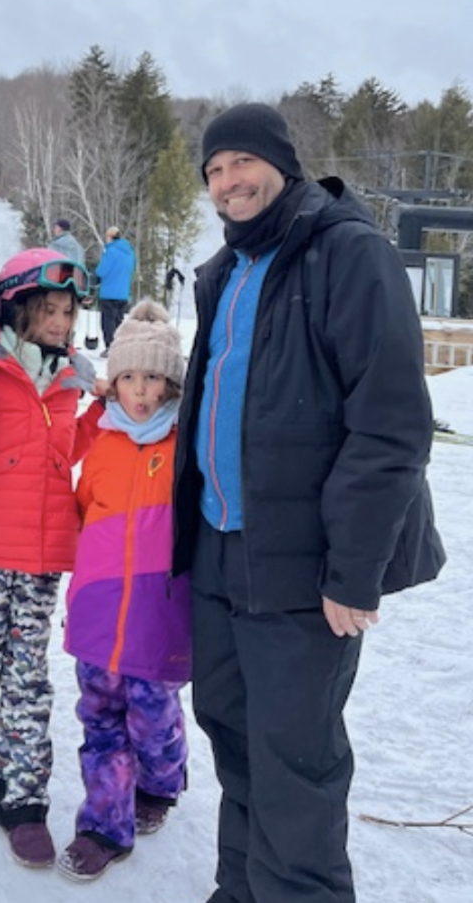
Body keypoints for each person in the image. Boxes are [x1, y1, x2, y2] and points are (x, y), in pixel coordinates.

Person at [173, 102, 446, 903]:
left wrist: (354, 570)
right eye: (213, 171)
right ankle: (242, 889)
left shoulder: (347, 254)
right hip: (221, 551)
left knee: (296, 759)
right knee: (234, 734)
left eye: (240, 163)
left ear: (281, 163)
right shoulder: (226, 272)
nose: (227, 182)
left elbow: (391, 423)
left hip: (305, 565)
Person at [0, 247, 104, 869]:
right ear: (18, 309)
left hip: (43, 551)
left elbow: (67, 451)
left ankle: (23, 796)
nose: (62, 322)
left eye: (68, 311)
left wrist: (103, 410)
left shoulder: (66, 384)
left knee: (28, 672)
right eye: (49, 310)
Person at [57, 300, 191, 882]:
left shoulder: (185, 448)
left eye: (153, 378)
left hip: (157, 614)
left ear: (171, 383)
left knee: (153, 718)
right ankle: (104, 825)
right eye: (130, 377)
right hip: (96, 609)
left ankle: (162, 781)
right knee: (100, 719)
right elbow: (84, 512)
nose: (140, 391)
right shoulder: (102, 444)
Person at [94, 226, 136, 357]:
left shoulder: (110, 252)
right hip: (123, 293)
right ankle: (120, 346)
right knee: (119, 320)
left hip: (109, 292)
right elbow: (131, 270)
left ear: (110, 237)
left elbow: (102, 271)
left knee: (108, 322)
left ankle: (110, 347)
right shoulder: (129, 253)